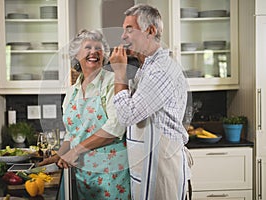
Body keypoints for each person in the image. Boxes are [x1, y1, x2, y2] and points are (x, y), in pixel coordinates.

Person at [109, 4, 192, 200]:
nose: (123, 36)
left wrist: (119, 73)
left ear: (150, 31)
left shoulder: (160, 71)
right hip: (148, 166)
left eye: (129, 29)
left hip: (162, 168)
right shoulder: (146, 68)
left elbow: (126, 116)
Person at [40, 29, 131, 199]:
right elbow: (72, 132)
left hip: (111, 174)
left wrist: (74, 152)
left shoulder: (113, 82)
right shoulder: (72, 90)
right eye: (88, 47)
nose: (94, 52)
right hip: (84, 175)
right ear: (76, 54)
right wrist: (60, 154)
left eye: (98, 48)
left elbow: (115, 127)